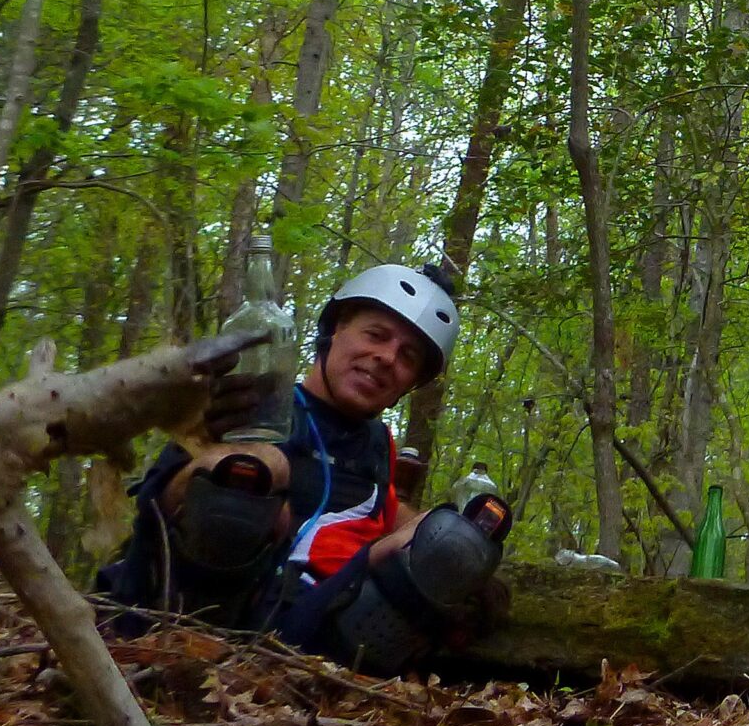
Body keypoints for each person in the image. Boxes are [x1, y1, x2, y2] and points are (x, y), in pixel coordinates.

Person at [100, 261, 510, 672]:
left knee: (455, 537)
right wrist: (206, 441)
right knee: (255, 469)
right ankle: (191, 661)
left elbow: (388, 513)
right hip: (206, 615)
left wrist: (462, 553)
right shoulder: (255, 404)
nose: (386, 357)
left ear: (411, 383)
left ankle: (317, 685)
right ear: (333, 332)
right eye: (376, 335)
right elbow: (157, 501)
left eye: (407, 356)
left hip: (317, 636)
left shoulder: (375, 446)